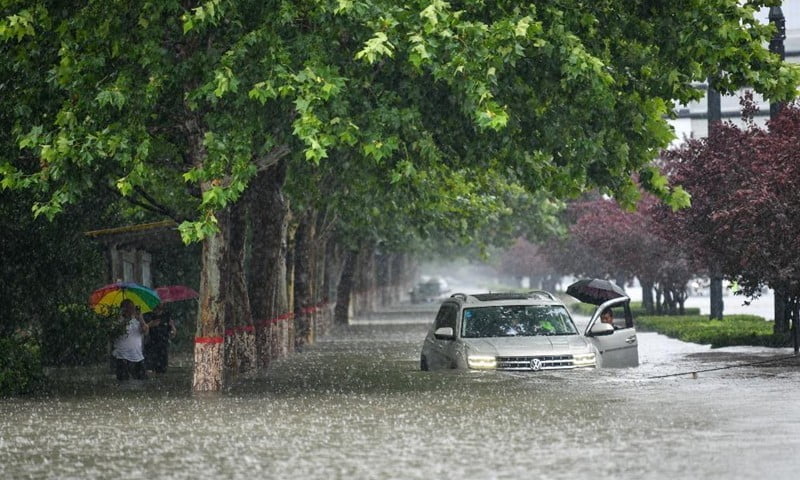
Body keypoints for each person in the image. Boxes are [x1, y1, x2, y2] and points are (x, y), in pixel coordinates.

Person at [112, 299, 148, 381]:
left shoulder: (137, 320)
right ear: (123, 309)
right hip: (122, 357)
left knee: (142, 382)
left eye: (132, 307)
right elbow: (114, 333)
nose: (132, 310)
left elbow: (145, 331)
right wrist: (126, 319)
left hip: (138, 357)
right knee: (123, 383)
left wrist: (141, 318)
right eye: (129, 307)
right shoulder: (117, 320)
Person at [144, 304, 175, 373]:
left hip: (163, 347)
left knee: (162, 370)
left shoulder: (166, 316)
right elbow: (142, 331)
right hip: (151, 346)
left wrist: (172, 326)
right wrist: (150, 325)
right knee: (149, 370)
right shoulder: (148, 315)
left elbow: (173, 334)